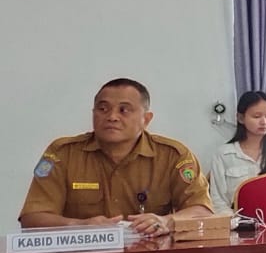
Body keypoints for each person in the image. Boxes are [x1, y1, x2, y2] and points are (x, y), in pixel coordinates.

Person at [20, 78, 213, 234]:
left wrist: (166, 221)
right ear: (93, 113)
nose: (112, 116)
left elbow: (202, 211)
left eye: (124, 110)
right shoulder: (63, 153)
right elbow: (33, 217)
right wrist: (79, 226)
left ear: (146, 119)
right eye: (103, 109)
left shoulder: (173, 156)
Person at [208, 90, 266, 212]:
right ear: (240, 118)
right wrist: (236, 223)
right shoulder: (224, 155)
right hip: (237, 224)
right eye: (257, 116)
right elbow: (218, 200)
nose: (264, 122)